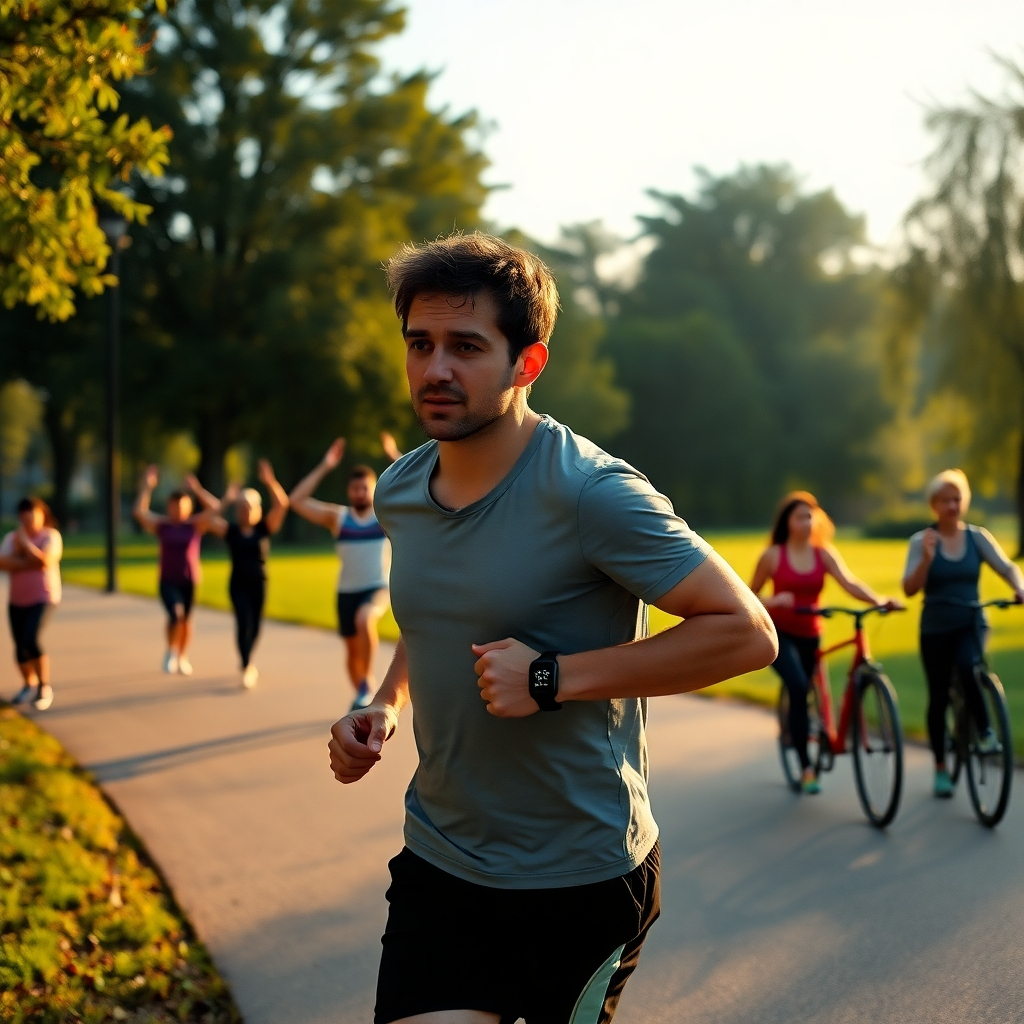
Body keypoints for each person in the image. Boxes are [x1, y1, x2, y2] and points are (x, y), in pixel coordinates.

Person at [326, 233, 778, 1024]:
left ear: (526, 364)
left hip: (579, 881)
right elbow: (438, 611)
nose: (435, 370)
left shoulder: (591, 493)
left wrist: (552, 678)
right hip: (442, 861)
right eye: (420, 344)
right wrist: (386, 704)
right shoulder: (401, 490)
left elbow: (746, 632)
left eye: (465, 347)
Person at [750, 491, 902, 795]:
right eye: (800, 516)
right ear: (788, 522)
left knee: (808, 688)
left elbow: (849, 582)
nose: (806, 522)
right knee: (797, 685)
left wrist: (879, 600)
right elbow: (748, 596)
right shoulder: (773, 556)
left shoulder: (824, 553)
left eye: (810, 516)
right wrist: (775, 600)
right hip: (779, 635)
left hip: (812, 633)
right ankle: (807, 768)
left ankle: (812, 728)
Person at [902, 469, 1024, 798]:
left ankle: (984, 731)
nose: (952, 505)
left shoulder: (977, 537)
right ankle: (941, 768)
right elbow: (909, 589)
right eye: (945, 500)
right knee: (938, 696)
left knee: (969, 665)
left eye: (957, 499)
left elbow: (1006, 566)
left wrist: (1018, 586)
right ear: (934, 505)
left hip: (971, 622)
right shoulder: (921, 540)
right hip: (936, 627)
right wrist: (927, 559)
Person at [290, 432, 401, 710]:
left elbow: (419, 485)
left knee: (366, 620)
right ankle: (362, 690)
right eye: (356, 489)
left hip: (377, 587)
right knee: (352, 653)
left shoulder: (383, 516)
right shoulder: (338, 518)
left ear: (374, 489)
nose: (361, 493)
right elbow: (297, 500)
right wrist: (326, 465)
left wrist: (395, 457)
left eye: (366, 488)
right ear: (349, 492)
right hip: (346, 592)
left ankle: (367, 684)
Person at [187, 460, 290, 688]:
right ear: (237, 510)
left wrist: (270, 481)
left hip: (259, 583)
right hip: (238, 584)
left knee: (256, 625)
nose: (246, 510)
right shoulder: (230, 531)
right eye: (242, 506)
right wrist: (206, 494)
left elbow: (282, 504)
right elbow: (206, 518)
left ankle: (248, 660)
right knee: (243, 622)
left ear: (258, 510)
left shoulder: (265, 528)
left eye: (250, 507)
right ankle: (246, 665)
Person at [133, 467, 217, 676]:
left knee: (187, 620)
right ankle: (171, 651)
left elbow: (215, 508)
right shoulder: (163, 526)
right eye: (174, 507)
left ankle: (182, 655)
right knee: (175, 615)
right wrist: (147, 487)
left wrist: (197, 489)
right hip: (168, 579)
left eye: (182, 506)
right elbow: (139, 513)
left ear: (188, 508)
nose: (178, 511)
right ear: (169, 507)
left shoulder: (195, 525)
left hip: (189, 579)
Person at [0, 497, 63, 711]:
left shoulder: (51, 536)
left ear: (42, 515)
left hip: (44, 597)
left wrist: (26, 547)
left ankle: (44, 687)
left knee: (31, 639)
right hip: (17, 600)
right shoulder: (11, 538)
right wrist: (30, 561)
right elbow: (2, 562)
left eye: (32, 516)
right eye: (24, 517)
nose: (28, 521)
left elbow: (46, 561)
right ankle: (29, 683)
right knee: (19, 648)